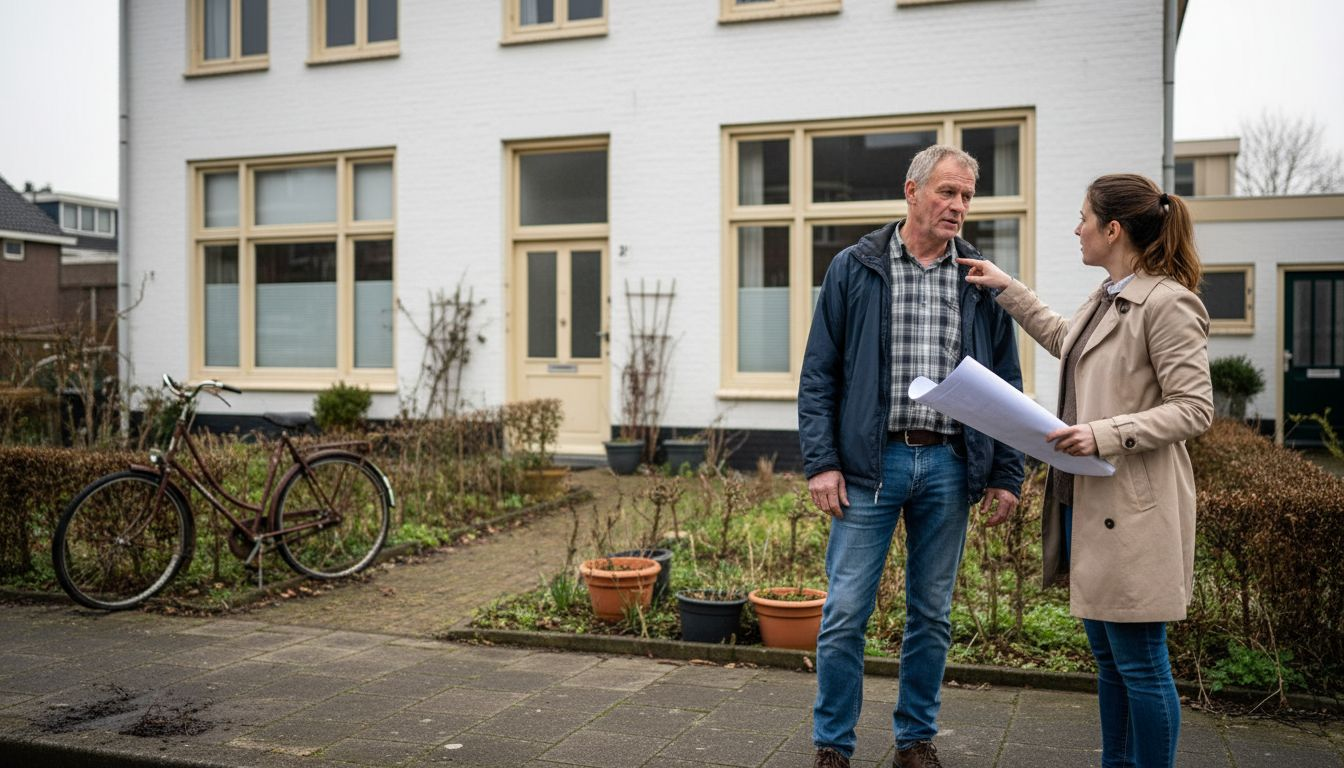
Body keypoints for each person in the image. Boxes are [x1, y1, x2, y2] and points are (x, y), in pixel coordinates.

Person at [959, 174, 1212, 768]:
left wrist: (1102, 433)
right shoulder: (1107, 295)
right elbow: (1065, 339)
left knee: (1142, 663)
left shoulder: (1168, 303)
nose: (1076, 229)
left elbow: (1195, 408)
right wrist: (1007, 288)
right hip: (1087, 503)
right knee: (1107, 659)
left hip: (1134, 510)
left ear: (1113, 229)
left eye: (1083, 219)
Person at [798, 144, 1026, 768]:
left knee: (932, 613)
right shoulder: (855, 267)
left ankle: (915, 739)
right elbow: (819, 374)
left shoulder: (981, 278)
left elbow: (1006, 383)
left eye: (967, 197)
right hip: (870, 465)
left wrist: (1006, 472)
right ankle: (833, 746)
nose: (958, 207)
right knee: (845, 611)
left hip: (951, 465)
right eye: (947, 193)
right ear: (912, 191)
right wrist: (821, 463)